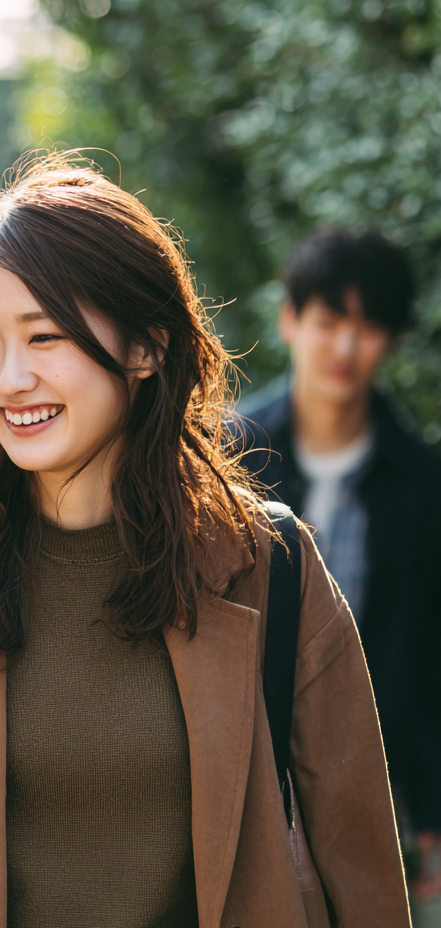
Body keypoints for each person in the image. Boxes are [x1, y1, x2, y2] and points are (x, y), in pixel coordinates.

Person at [0, 158, 411, 926]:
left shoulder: (269, 564)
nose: (8, 379)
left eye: (46, 336)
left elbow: (360, 868)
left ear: (146, 348)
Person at [238, 227, 441, 909]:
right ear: (291, 319)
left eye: (370, 326)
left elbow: (431, 658)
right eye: (329, 322)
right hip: (238, 773)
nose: (347, 348)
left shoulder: (422, 484)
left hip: (371, 783)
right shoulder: (222, 457)